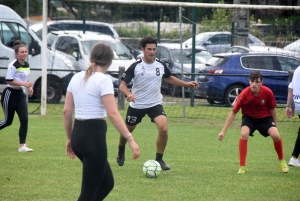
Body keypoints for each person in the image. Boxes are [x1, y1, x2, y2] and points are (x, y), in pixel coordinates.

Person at [63, 43, 140, 201]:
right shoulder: (103, 80)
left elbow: (67, 112)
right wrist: (130, 139)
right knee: (87, 194)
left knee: (107, 183)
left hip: (78, 135)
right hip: (93, 138)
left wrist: (70, 138)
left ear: (90, 58)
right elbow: (112, 113)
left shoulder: (76, 77)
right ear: (111, 62)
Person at [116, 36, 199, 170]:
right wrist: (129, 94)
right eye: (149, 49)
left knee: (164, 129)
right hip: (137, 105)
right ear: (143, 49)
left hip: (155, 103)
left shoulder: (160, 64)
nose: (152, 52)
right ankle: (121, 149)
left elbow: (169, 78)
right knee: (127, 132)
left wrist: (186, 84)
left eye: (154, 49)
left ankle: (159, 159)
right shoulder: (136, 66)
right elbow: (122, 86)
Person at [217, 70, 289, 174]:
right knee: (244, 133)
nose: (254, 84)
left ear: (261, 82)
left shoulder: (267, 92)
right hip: (249, 118)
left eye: (257, 81)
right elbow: (233, 112)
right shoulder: (244, 94)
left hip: (265, 118)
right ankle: (242, 166)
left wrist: (275, 125)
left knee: (276, 135)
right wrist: (223, 131)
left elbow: (273, 109)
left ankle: (282, 161)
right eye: (252, 81)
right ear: (249, 81)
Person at [0, 40, 33, 152]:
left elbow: (25, 80)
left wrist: (29, 87)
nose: (24, 54)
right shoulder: (13, 65)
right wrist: (24, 84)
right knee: (7, 121)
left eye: (25, 51)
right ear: (16, 54)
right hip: (10, 94)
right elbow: (8, 80)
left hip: (20, 95)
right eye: (22, 52)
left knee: (24, 119)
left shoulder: (27, 65)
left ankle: (22, 146)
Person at [285, 66, 300, 167]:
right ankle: (294, 157)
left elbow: (291, 89)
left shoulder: (297, 70)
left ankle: (294, 157)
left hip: (298, 104)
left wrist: (288, 105)